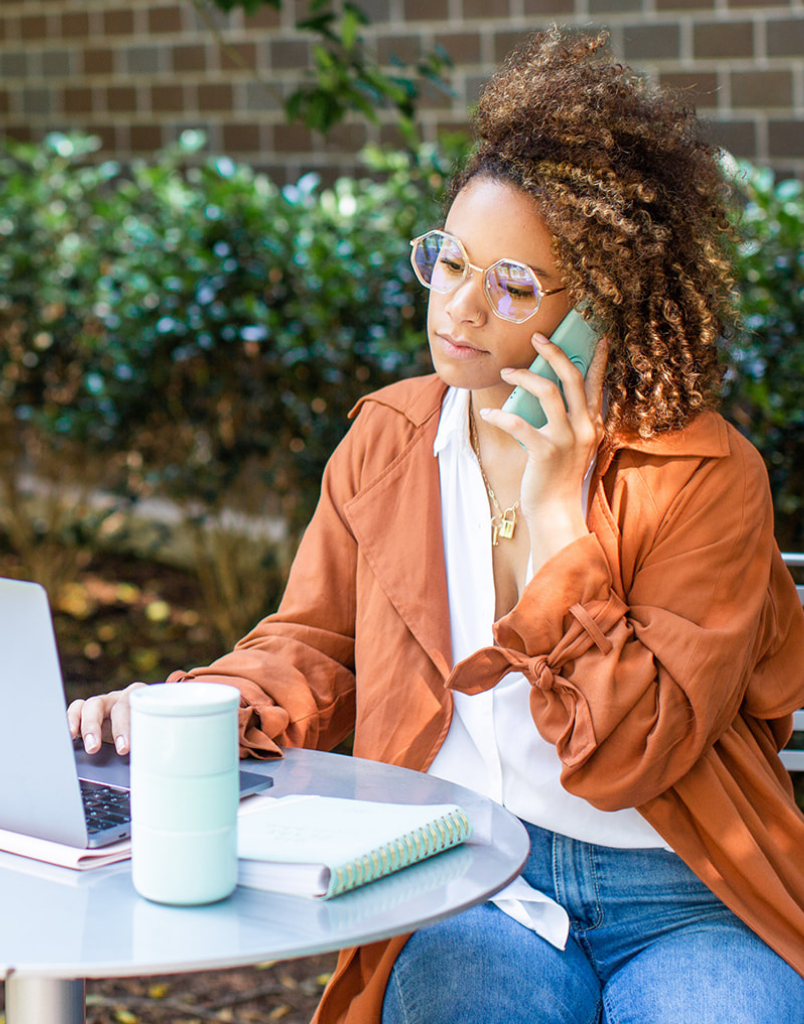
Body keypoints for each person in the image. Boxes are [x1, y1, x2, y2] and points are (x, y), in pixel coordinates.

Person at [69, 28, 804, 1024]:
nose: (457, 308)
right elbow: (312, 648)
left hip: (681, 892)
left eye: (511, 286)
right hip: (464, 869)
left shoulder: (700, 476)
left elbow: (632, 750)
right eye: (450, 261)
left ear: (603, 307)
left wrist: (555, 517)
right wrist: (179, 706)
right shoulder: (388, 441)